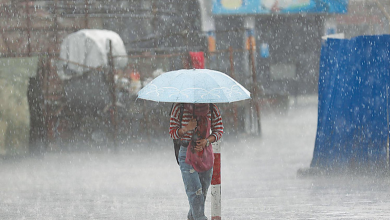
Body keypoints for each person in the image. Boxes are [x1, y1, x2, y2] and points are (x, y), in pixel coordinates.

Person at [169, 103, 223, 220]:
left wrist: (206, 141)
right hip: (186, 154)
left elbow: (219, 130)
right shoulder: (180, 107)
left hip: (206, 154)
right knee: (195, 192)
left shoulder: (211, 107)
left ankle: (193, 216)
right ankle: (200, 217)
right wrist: (187, 128)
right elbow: (172, 132)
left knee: (202, 192)